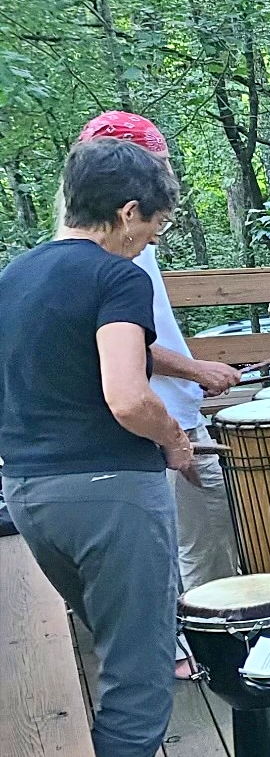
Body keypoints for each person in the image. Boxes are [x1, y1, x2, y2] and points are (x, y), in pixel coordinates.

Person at [0, 136, 189, 757]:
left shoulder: (14, 275)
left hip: (28, 495)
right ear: (128, 212)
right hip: (111, 496)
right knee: (138, 673)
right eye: (154, 226)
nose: (152, 241)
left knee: (113, 641)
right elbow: (129, 398)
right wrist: (175, 439)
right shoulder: (118, 276)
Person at [71, 112, 244, 681]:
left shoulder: (125, 237)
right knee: (176, 536)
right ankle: (188, 643)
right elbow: (120, 351)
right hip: (154, 416)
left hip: (174, 408)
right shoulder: (115, 246)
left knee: (204, 527)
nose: (164, 176)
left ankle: (207, 631)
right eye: (157, 165)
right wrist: (195, 369)